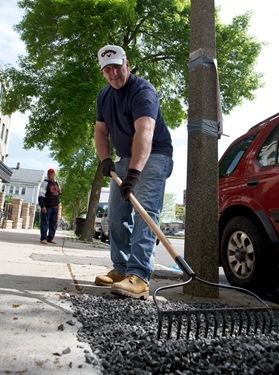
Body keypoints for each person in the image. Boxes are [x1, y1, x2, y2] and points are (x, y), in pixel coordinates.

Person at [94, 45, 173, 299]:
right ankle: (121, 268)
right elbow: (100, 131)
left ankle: (139, 276)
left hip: (154, 153)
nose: (113, 73)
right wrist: (106, 159)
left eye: (117, 66)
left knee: (144, 211)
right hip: (125, 156)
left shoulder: (142, 91)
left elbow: (145, 132)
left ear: (127, 65)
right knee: (116, 214)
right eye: (108, 69)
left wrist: (135, 173)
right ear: (103, 72)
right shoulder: (104, 96)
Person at [38, 168, 61, 244]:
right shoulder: (45, 183)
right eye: (49, 174)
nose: (50, 175)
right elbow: (41, 195)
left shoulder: (57, 183)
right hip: (47, 207)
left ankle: (50, 238)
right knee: (45, 223)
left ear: (54, 174)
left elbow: (59, 194)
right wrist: (42, 206)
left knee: (53, 223)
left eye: (52, 174)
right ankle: (43, 238)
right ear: (48, 175)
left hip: (55, 207)